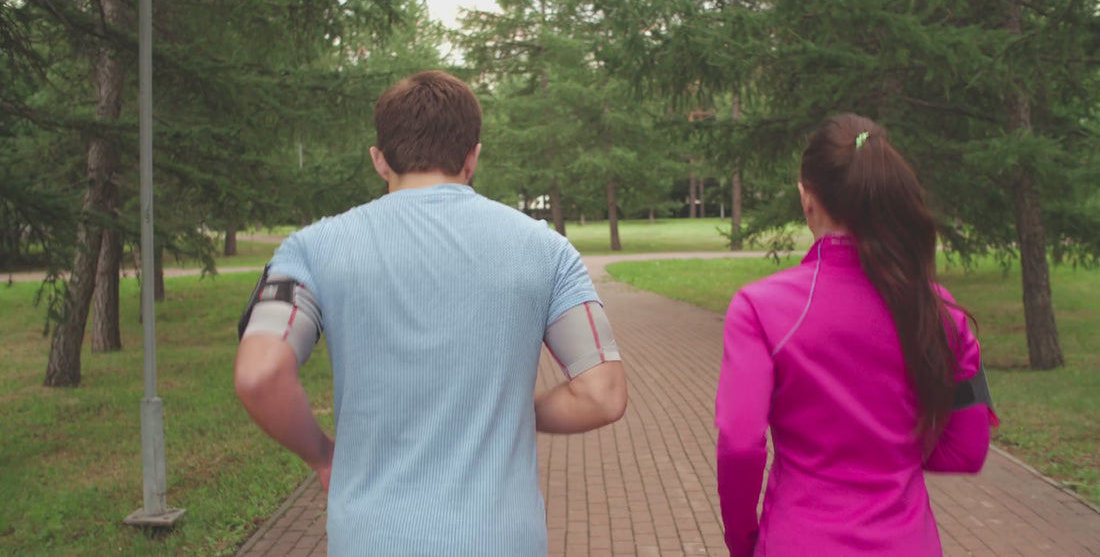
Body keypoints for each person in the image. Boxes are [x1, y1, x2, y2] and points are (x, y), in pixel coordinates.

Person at [233, 70, 627, 556]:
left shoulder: (311, 250)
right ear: (472, 156)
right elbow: (603, 394)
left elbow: (259, 373)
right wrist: (502, 411)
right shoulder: (549, 251)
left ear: (379, 161)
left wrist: (322, 456)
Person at [715, 113, 997, 556]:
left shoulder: (760, 309)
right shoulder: (941, 310)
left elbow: (738, 444)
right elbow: (967, 449)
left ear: (807, 198)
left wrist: (741, 541)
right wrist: (888, 457)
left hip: (799, 540)